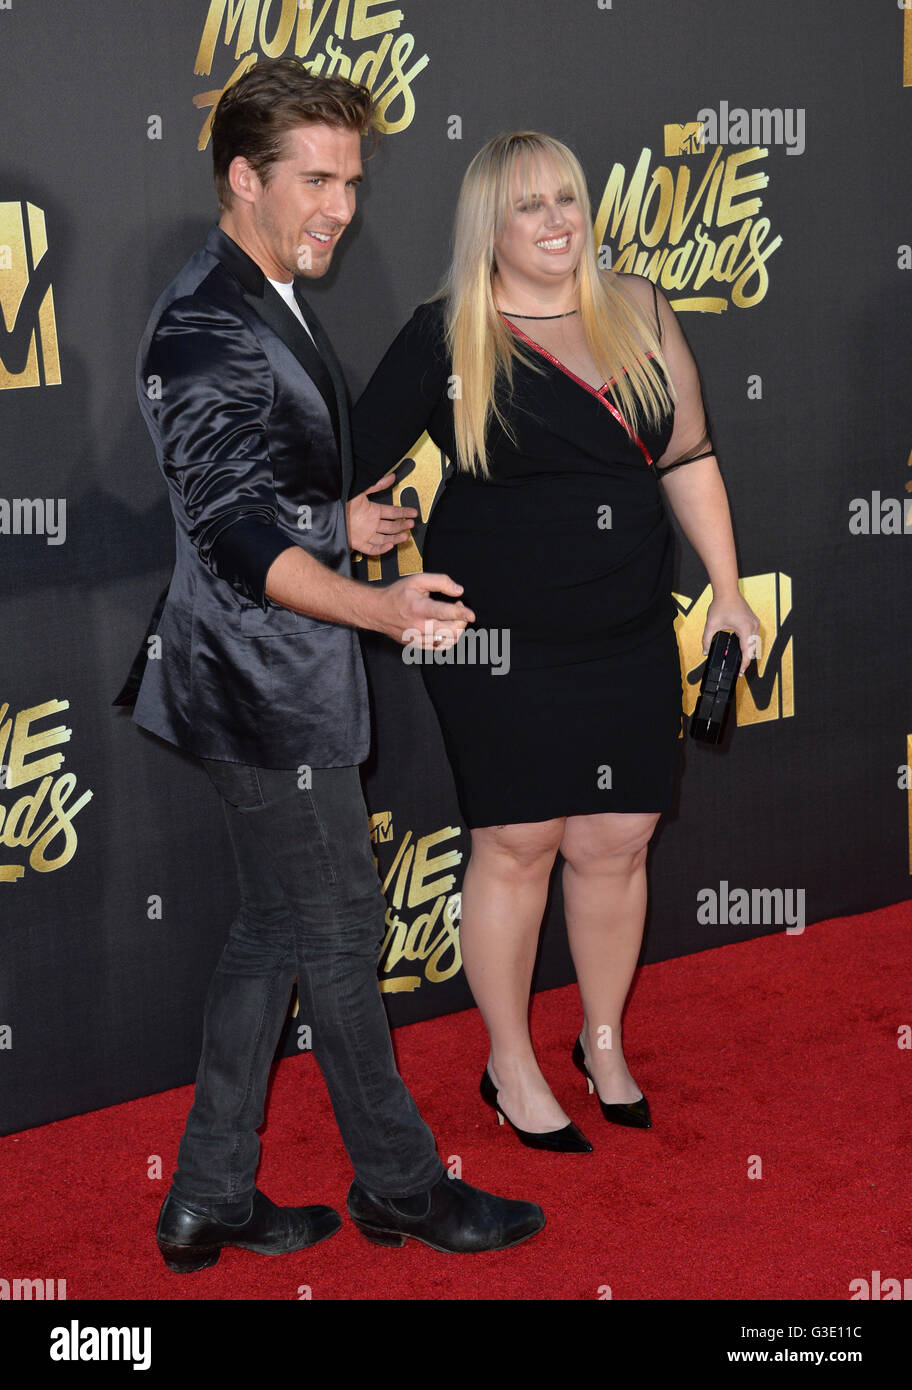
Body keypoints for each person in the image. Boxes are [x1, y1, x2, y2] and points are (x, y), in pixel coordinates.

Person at [123, 64, 545, 1269]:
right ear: (240, 178)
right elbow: (234, 538)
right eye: (316, 179)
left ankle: (205, 1193)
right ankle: (406, 1189)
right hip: (264, 690)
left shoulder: (262, 287)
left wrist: (337, 523)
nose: (341, 206)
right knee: (343, 933)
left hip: (260, 670)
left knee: (273, 927)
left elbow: (265, 501)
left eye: (352, 181)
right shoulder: (206, 324)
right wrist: (373, 601)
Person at [351, 131, 760, 1153]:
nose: (555, 221)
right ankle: (511, 1061)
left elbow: (691, 456)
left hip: (623, 628)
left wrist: (727, 592)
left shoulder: (641, 309)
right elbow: (347, 459)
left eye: (567, 199)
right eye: (529, 205)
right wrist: (366, 527)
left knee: (616, 840)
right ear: (489, 223)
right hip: (499, 644)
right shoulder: (449, 332)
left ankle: (603, 1040)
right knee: (519, 844)